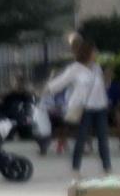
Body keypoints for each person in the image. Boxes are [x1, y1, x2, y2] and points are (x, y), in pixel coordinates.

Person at [46, 33, 112, 176]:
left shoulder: (97, 67)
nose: (97, 53)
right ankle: (76, 168)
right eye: (95, 51)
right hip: (84, 108)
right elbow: (60, 82)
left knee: (103, 139)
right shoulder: (75, 69)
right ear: (88, 52)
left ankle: (107, 167)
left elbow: (102, 87)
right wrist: (45, 89)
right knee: (81, 139)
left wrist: (107, 79)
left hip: (100, 107)